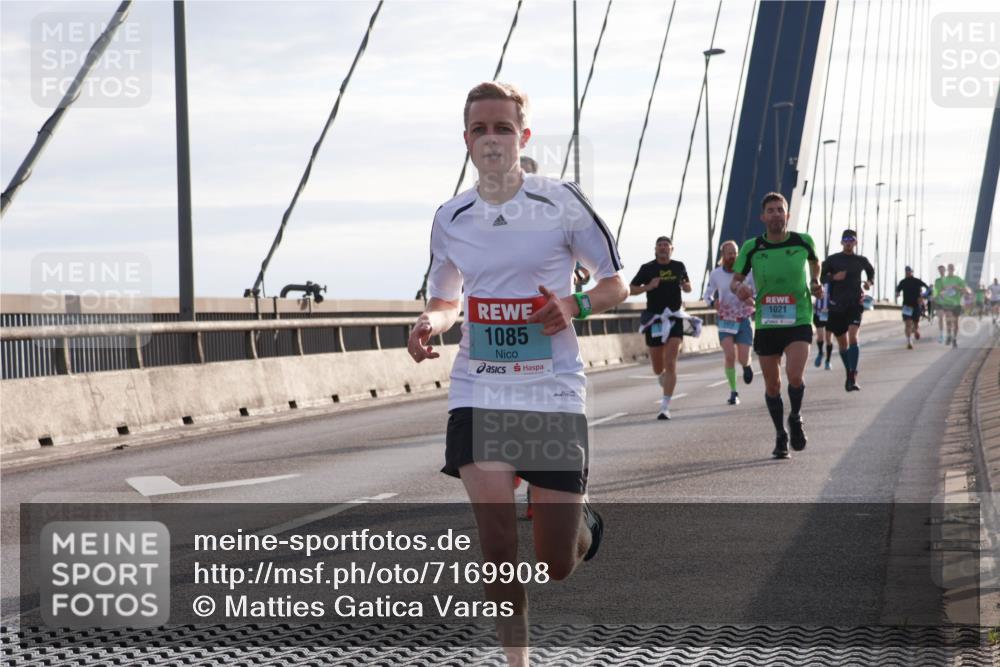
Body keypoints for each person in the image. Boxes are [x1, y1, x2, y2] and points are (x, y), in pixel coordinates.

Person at [407, 81, 628, 666]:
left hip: (550, 393)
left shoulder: (561, 203)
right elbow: (448, 298)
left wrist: (575, 305)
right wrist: (430, 320)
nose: (491, 139)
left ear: (523, 137)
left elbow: (615, 282)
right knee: (499, 545)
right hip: (480, 389)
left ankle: (580, 522)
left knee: (555, 563)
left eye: (502, 128)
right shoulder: (451, 217)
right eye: (479, 129)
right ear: (466, 141)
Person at [731, 192, 823, 459]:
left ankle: (795, 417)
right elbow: (735, 280)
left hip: (799, 318)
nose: (775, 215)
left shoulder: (803, 241)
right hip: (768, 322)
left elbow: (816, 264)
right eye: (770, 210)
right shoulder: (752, 247)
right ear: (763, 217)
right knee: (772, 386)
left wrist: (815, 283)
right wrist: (740, 289)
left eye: (779, 210)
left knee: (795, 377)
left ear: (787, 215)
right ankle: (780, 435)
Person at [630, 236, 692, 420]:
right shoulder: (647, 268)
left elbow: (688, 287)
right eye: (660, 246)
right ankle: (662, 376)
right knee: (658, 367)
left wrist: (686, 286)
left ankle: (665, 406)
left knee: (671, 362)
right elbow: (631, 289)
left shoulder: (678, 266)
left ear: (672, 249)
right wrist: (648, 286)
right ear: (655, 249)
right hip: (654, 319)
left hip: (674, 318)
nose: (663, 248)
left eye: (666, 245)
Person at [702, 240, 756, 405]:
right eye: (729, 253)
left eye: (734, 252)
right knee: (729, 355)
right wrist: (713, 303)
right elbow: (707, 295)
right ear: (723, 256)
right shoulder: (716, 274)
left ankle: (747, 366)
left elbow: (756, 291)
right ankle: (733, 391)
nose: (732, 255)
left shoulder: (748, 273)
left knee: (743, 358)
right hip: (725, 319)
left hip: (743, 318)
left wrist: (751, 299)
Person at [821, 230, 875, 392]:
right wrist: (833, 278)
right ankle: (849, 371)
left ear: (855, 242)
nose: (848, 242)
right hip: (836, 306)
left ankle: (852, 374)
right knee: (843, 345)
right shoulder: (833, 260)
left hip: (854, 304)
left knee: (853, 337)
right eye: (845, 239)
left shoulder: (861, 260)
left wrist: (869, 283)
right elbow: (820, 277)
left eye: (851, 240)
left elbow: (871, 272)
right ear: (841, 242)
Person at [936, 263, 970, 348]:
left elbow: (966, 291)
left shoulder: (958, 279)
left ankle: (954, 338)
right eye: (949, 268)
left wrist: (957, 288)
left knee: (956, 323)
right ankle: (948, 335)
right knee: (948, 320)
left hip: (957, 304)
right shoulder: (944, 280)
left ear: (954, 269)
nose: (950, 269)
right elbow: (938, 292)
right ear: (947, 269)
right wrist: (944, 291)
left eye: (952, 268)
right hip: (947, 304)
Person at [895, 266, 929, 349]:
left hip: (916, 305)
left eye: (909, 271)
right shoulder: (903, 282)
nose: (907, 272)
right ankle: (909, 341)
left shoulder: (917, 281)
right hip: (906, 305)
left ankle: (916, 330)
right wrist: (897, 293)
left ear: (912, 272)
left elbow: (928, 288)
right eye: (906, 271)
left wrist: (923, 296)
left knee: (915, 324)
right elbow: (898, 290)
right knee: (908, 324)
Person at [812, 283, 834, 370]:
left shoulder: (833, 282)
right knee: (820, 337)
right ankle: (820, 352)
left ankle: (828, 361)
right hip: (819, 312)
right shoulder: (818, 280)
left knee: (828, 339)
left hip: (829, 313)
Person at [933, 265, 947, 343]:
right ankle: (941, 335)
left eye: (942, 270)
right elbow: (935, 290)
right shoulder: (937, 280)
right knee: (940, 318)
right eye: (940, 270)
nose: (941, 271)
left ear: (945, 270)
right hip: (939, 302)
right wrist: (934, 297)